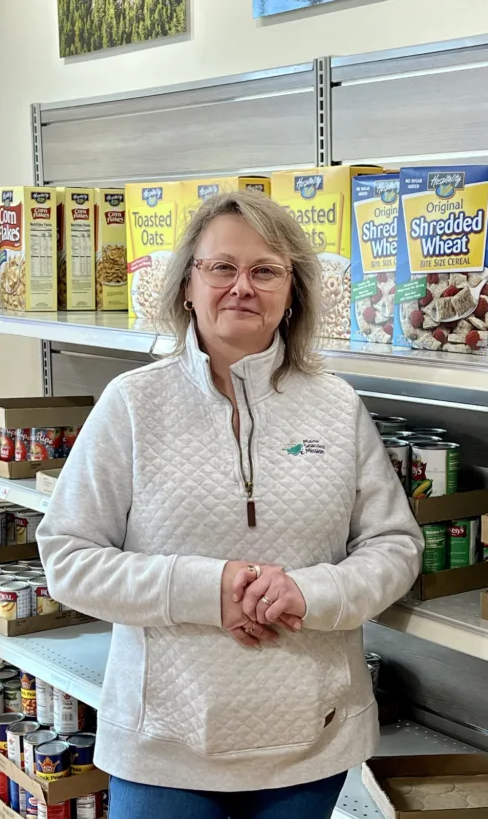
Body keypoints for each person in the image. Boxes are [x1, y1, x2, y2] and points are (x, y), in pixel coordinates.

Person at [37, 190, 423, 819]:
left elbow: (395, 546)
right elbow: (69, 559)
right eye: (222, 267)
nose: (242, 287)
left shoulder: (336, 404)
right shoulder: (132, 404)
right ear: (187, 284)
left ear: (292, 291)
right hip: (166, 740)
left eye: (265, 270)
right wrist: (207, 588)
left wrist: (309, 593)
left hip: (309, 740)